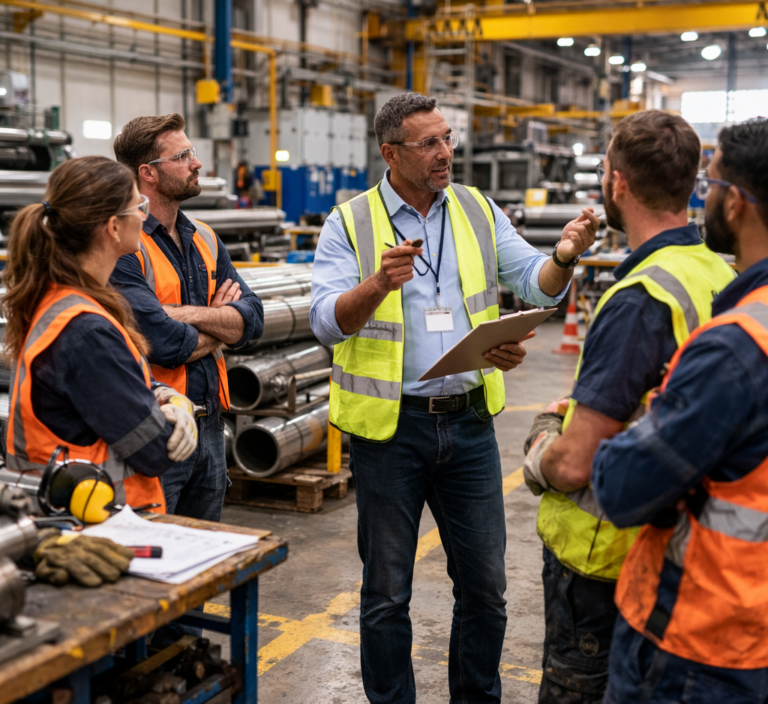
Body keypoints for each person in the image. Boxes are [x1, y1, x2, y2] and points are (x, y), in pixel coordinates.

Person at [310, 92, 600, 704]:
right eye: (429, 144)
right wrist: (377, 284)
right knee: (387, 593)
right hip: (390, 433)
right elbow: (325, 323)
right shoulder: (350, 221)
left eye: (447, 139)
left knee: (486, 589)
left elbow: (536, 284)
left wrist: (565, 257)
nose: (445, 154)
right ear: (391, 153)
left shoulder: (473, 208)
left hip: (467, 426)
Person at [522, 110, 735, 703]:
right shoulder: (718, 274)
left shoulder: (639, 297)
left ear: (616, 183)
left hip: (602, 561)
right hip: (678, 547)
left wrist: (541, 444)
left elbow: (573, 465)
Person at [590, 117, 768, 702]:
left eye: (711, 185)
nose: (704, 197)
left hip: (705, 640)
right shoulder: (733, 294)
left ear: (737, 205)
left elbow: (620, 484)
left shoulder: (736, 347)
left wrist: (644, 417)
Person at [2, 156, 198, 512]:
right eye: (138, 206)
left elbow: (114, 387)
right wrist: (174, 417)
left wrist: (169, 398)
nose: (144, 215)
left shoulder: (64, 300)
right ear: (112, 227)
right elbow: (153, 450)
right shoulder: (86, 331)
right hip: (101, 528)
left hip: (78, 521)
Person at [112, 114, 264, 523]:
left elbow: (253, 320)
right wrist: (220, 322)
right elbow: (162, 342)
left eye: (191, 152)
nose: (196, 163)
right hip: (156, 427)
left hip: (211, 428)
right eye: (183, 156)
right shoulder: (125, 244)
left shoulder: (206, 237)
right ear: (149, 173)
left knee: (203, 561)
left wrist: (190, 316)